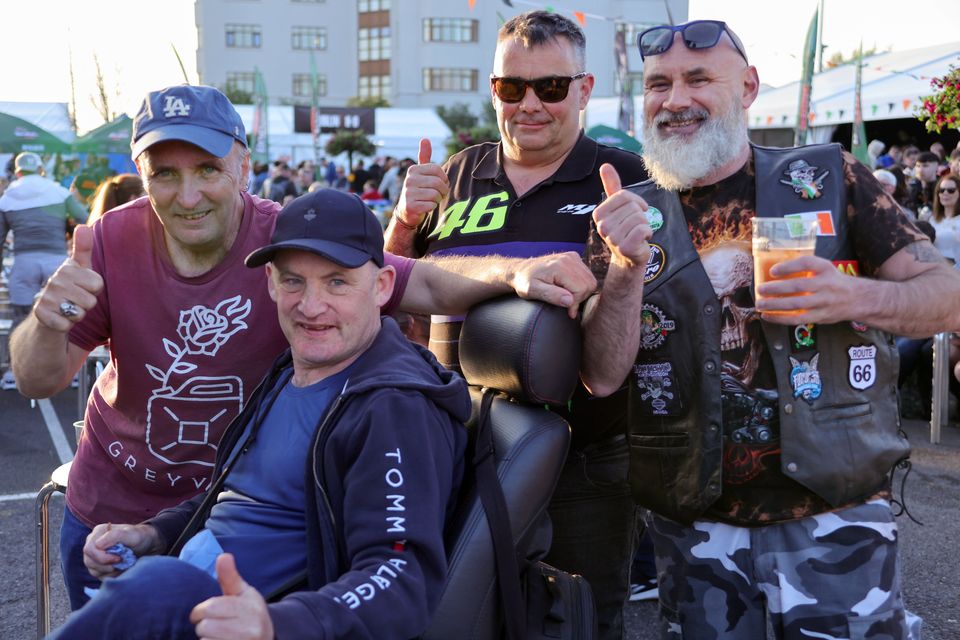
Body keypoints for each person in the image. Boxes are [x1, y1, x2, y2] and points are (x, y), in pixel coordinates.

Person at [9, 84, 598, 612]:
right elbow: (37, 379)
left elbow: (420, 279)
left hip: (222, 534)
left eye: (207, 169)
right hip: (121, 509)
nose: (188, 195)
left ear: (243, 166)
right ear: (142, 174)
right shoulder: (113, 240)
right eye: (164, 172)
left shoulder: (290, 245)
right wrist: (48, 317)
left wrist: (517, 274)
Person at [580, 18, 960, 639]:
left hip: (835, 515)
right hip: (694, 528)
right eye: (658, 84)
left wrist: (849, 294)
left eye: (699, 78)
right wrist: (622, 273)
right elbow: (599, 377)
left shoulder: (829, 176)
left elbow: (948, 299)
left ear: (749, 87)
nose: (675, 100)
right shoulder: (626, 213)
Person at [48, 189, 470, 640]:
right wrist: (153, 535)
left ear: (383, 286)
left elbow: (399, 578)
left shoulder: (392, 406)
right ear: (269, 282)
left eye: (337, 282)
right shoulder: (291, 368)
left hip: (250, 617)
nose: (310, 306)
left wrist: (275, 624)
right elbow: (236, 492)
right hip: (197, 597)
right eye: (293, 281)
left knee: (156, 586)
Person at [384, 11, 649, 639]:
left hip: (582, 464)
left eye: (551, 87)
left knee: (575, 623)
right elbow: (389, 306)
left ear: (584, 91)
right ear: (493, 87)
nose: (530, 104)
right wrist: (399, 223)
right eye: (512, 87)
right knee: (458, 619)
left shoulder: (626, 180)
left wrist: (625, 267)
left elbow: (619, 361)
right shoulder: (452, 176)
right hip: (455, 450)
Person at [0, 151, 88, 389]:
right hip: (56, 261)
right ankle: (72, 371)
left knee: (20, 317)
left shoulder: (7, 197)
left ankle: (13, 373)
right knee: (66, 314)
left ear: (17, 171)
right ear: (40, 169)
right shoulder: (58, 190)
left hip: (24, 262)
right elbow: (84, 218)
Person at [929, 172, 960, 263]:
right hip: (935, 269)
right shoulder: (932, 220)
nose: (945, 193)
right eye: (941, 190)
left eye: (951, 190)